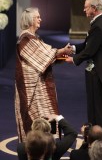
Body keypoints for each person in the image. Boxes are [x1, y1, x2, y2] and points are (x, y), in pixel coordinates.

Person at [15, 7, 73, 142]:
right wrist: (63, 51)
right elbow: (45, 56)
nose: (40, 19)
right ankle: (36, 149)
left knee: (45, 118)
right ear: (30, 20)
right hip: (31, 91)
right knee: (36, 121)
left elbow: (47, 55)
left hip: (40, 88)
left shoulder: (34, 38)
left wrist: (64, 54)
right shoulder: (26, 39)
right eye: (38, 17)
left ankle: (46, 148)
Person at [65, 0, 102, 139]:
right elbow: (89, 44)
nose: (84, 9)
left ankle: (96, 144)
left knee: (96, 112)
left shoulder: (98, 25)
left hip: (97, 75)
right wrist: (73, 49)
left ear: (94, 8)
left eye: (86, 7)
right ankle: (100, 141)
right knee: (101, 111)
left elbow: (89, 51)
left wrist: (73, 59)